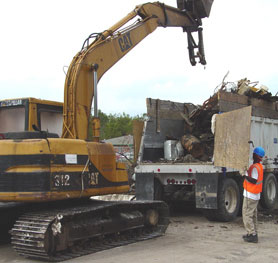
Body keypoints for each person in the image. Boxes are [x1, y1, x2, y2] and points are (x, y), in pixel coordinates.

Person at [242, 146, 265, 243]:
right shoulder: (258, 166)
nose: (252, 154)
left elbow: (254, 180)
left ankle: (252, 234)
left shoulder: (255, 168)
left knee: (247, 215)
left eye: (253, 153)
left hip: (251, 195)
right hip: (255, 194)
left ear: (256, 155)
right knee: (253, 215)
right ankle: (254, 232)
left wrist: (244, 174)